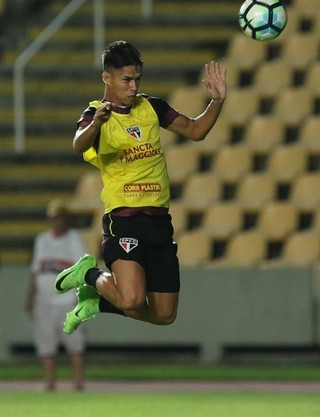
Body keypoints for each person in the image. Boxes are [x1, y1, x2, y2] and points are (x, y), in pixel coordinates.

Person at [54, 40, 227, 335]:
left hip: (159, 222)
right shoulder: (96, 114)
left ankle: (97, 305)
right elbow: (78, 142)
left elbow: (195, 131)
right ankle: (89, 273)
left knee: (164, 315)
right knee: (132, 298)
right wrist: (96, 124)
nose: (133, 86)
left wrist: (217, 101)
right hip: (124, 220)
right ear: (107, 78)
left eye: (137, 79)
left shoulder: (151, 107)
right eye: (127, 80)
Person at [25, 199, 87, 391]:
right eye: (54, 217)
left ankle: (77, 383)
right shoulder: (42, 240)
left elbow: (83, 268)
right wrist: (30, 297)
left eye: (60, 217)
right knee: (46, 343)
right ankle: (49, 383)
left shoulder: (74, 238)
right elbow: (36, 270)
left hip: (67, 300)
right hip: (44, 300)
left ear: (66, 218)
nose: (57, 221)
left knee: (75, 343)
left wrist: (82, 297)